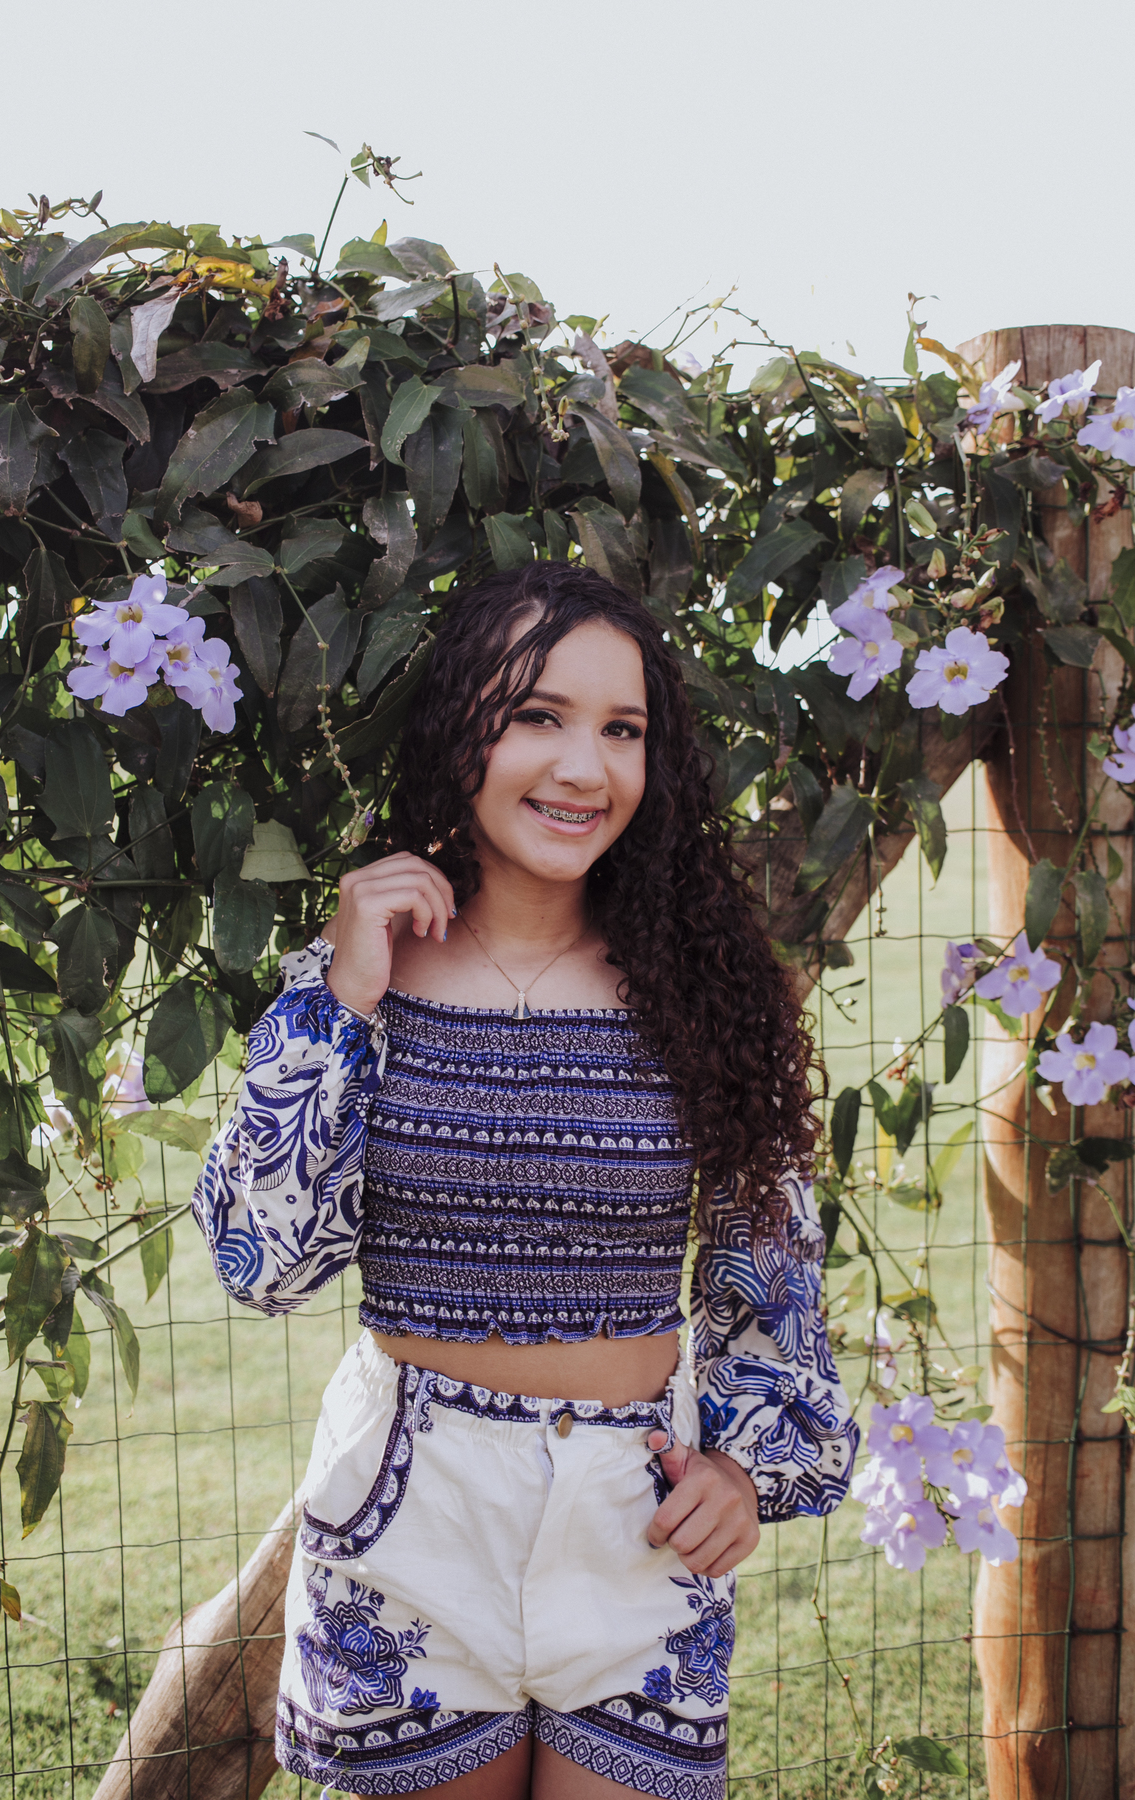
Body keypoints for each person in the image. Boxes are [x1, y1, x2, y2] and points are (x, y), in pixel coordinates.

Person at [193, 564, 856, 1800]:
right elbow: (261, 1262)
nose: (584, 768)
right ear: (463, 727)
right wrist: (342, 997)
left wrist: (744, 1469)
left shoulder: (705, 988)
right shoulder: (363, 979)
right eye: (538, 716)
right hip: (410, 1526)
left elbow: (769, 1262)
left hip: (636, 1523)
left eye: (623, 730)